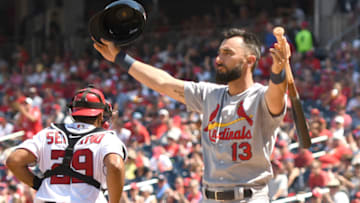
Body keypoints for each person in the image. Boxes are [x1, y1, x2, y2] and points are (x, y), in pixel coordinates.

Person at [94, 27, 290, 202]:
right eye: (219, 53)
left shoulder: (260, 97)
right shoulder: (209, 95)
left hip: (250, 197)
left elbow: (276, 95)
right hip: (210, 197)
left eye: (227, 53)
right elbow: (163, 82)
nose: (218, 59)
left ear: (250, 60)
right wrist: (120, 57)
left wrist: (278, 72)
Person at [6, 85, 128, 203]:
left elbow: (13, 161)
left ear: (72, 112)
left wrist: (39, 184)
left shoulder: (49, 132)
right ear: (101, 114)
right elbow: (115, 165)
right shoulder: (107, 138)